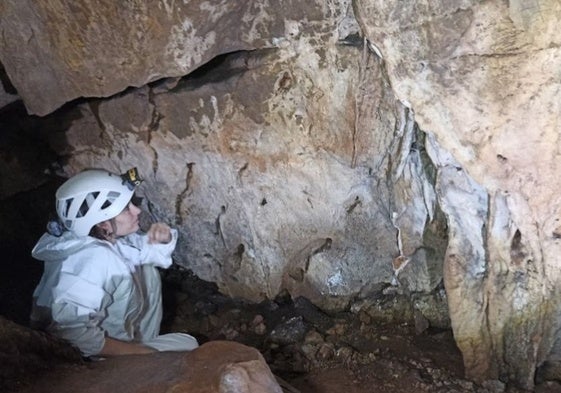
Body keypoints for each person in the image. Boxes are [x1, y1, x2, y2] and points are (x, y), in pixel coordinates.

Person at [30, 167, 199, 357]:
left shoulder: (97, 238)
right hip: (96, 356)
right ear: (102, 222)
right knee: (189, 348)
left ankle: (140, 340)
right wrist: (141, 354)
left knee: (147, 268)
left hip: (121, 334)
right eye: (126, 208)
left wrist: (163, 239)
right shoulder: (92, 259)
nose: (137, 211)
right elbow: (71, 333)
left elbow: (140, 250)